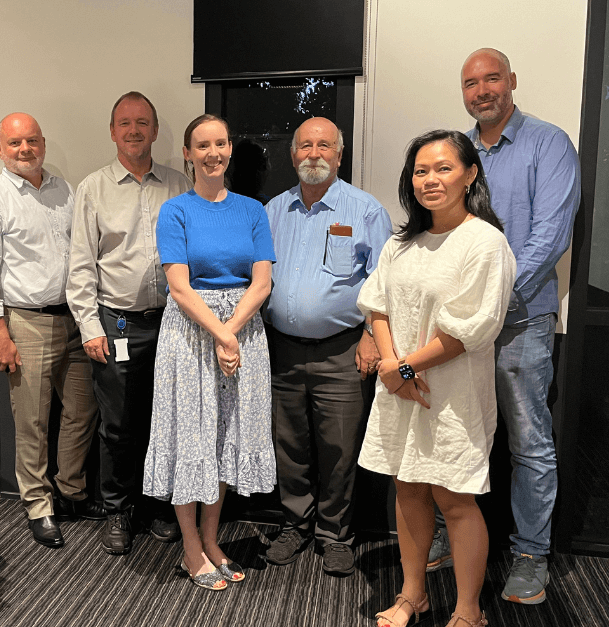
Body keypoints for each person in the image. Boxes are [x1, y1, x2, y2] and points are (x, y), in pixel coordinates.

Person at [428, 49, 581, 605]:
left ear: (512, 81)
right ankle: (448, 535)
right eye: (471, 83)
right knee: (456, 434)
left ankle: (529, 555)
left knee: (528, 444)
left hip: (520, 322)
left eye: (492, 79)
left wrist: (492, 301)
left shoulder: (549, 143)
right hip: (460, 328)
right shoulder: (458, 153)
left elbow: (551, 235)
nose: (482, 90)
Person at [358, 130, 515, 627]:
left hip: (452, 395)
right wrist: (390, 365)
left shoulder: (485, 242)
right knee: (408, 489)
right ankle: (414, 593)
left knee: (456, 499)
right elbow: (376, 304)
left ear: (470, 175)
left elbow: (473, 327)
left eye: (444, 168)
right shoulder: (401, 242)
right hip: (400, 386)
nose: (430, 180)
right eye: (421, 171)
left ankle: (470, 611)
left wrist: (403, 365)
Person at [142, 114, 276, 590]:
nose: (213, 153)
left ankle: (212, 537)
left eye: (221, 144)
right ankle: (190, 548)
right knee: (190, 437)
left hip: (242, 330)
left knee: (223, 439)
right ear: (188, 153)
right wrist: (221, 334)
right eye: (203, 146)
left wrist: (232, 331)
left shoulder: (252, 210)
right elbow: (178, 287)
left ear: (229, 151)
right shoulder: (175, 211)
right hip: (191, 332)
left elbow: (262, 281)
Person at [261, 117, 393, 575]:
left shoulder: (366, 211)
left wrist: (371, 336)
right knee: (288, 444)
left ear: (339, 154)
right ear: (292, 153)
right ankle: (295, 525)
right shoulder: (273, 210)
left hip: (343, 351)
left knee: (339, 448)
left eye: (324, 146)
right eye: (304, 145)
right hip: (281, 350)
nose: (313, 154)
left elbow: (383, 283)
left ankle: (335, 534)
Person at [0, 112, 101, 549]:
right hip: (25, 322)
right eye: (15, 143)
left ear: (43, 143)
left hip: (76, 318)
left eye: (33, 141)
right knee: (34, 421)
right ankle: (39, 506)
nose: (25, 149)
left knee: (82, 411)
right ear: (0, 150)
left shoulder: (63, 189)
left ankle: (70, 491)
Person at [66, 91, 193, 555]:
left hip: (175, 323)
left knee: (170, 419)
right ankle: (118, 507)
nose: (134, 130)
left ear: (156, 130)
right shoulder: (92, 188)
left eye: (143, 122)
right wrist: (90, 327)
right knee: (118, 424)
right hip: (116, 324)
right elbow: (80, 265)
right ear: (113, 130)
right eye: (125, 123)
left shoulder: (180, 186)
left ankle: (161, 506)